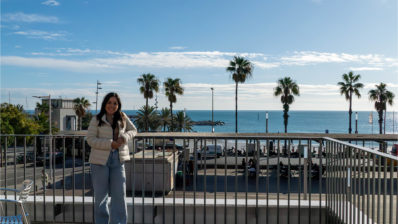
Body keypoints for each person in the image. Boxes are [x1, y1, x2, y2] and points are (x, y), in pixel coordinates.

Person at [87, 92, 137, 224]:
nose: (112, 105)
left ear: (118, 105)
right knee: (100, 197)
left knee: (119, 196)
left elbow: (134, 130)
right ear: (105, 103)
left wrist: (124, 137)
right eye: (109, 102)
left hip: (118, 160)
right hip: (99, 161)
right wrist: (110, 144)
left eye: (115, 103)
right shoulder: (96, 119)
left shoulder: (122, 117)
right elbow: (90, 140)